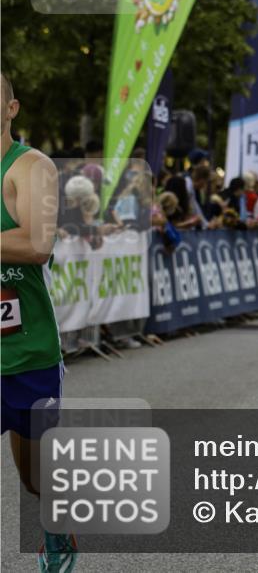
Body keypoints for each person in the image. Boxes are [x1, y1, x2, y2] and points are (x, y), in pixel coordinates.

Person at [0, 72, 78, 572]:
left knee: (36, 478)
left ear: (12, 109)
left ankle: (58, 536)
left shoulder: (32, 167)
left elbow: (36, 245)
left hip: (26, 352)